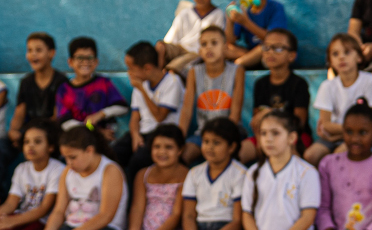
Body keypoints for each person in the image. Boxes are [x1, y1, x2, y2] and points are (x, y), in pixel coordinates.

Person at [0, 32, 67, 203]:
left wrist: (30, 137)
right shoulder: (26, 82)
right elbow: (19, 113)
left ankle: (52, 201)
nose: (33, 55)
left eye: (39, 50)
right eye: (30, 50)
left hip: (49, 136)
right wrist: (14, 131)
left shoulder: (61, 81)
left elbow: (56, 117)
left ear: (51, 53)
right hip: (27, 134)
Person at [305, 34, 372, 165]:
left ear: (359, 57)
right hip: (333, 137)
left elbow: (370, 123)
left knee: (338, 156)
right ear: (330, 61)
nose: (341, 57)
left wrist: (342, 133)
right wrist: (346, 132)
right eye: (335, 54)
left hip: (359, 137)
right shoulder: (327, 86)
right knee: (310, 156)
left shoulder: (370, 81)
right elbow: (326, 125)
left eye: (347, 52)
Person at [114, 41, 185, 182]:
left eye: (131, 69)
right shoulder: (140, 84)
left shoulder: (172, 82)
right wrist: (135, 135)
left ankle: (135, 201)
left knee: (138, 161)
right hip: (142, 134)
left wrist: (141, 89)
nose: (129, 73)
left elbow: (159, 116)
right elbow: (135, 118)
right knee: (113, 154)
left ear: (147, 68)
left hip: (162, 133)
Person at [241, 29, 310, 163]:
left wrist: (272, 112)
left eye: (277, 48)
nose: (270, 52)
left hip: (294, 136)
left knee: (287, 151)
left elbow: (299, 122)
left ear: (291, 55)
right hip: (266, 134)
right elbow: (257, 120)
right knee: (240, 152)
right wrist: (260, 140)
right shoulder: (260, 84)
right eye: (266, 47)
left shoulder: (298, 83)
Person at [178, 26, 245, 164]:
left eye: (214, 43)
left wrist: (223, 140)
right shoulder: (194, 72)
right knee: (182, 157)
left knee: (226, 157)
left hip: (230, 132)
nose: (209, 48)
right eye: (204, 44)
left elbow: (235, 112)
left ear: (225, 47)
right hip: (203, 133)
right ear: (199, 51)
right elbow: (186, 110)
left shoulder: (237, 71)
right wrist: (178, 139)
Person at [54, 36, 128, 138]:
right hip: (77, 140)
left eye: (90, 58)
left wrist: (101, 114)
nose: (85, 62)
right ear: (70, 62)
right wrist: (96, 132)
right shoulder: (64, 89)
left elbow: (123, 107)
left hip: (104, 141)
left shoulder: (103, 83)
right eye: (80, 58)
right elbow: (65, 122)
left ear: (96, 62)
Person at [158, 0, 227, 74]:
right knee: (160, 46)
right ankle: (157, 74)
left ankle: (165, 76)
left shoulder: (218, 15)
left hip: (197, 53)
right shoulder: (185, 13)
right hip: (180, 49)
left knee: (173, 68)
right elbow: (170, 40)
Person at [224, 0, 287, 68]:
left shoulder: (276, 7)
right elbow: (231, 41)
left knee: (264, 47)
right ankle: (246, 59)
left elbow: (274, 39)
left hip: (271, 51)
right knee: (224, 48)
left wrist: (246, 22)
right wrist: (229, 20)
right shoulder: (243, 10)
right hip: (251, 53)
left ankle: (237, 65)